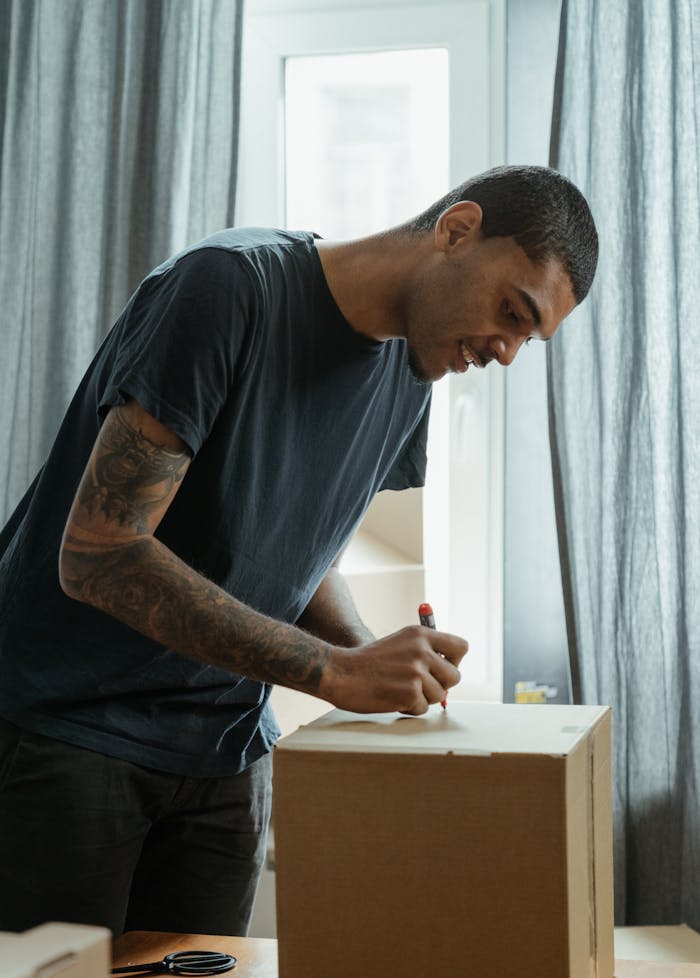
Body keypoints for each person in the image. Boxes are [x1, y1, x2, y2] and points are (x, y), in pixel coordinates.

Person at [0, 164, 598, 938]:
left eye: (530, 337)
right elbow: (99, 554)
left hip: (226, 753)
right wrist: (333, 672)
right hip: (69, 737)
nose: (508, 351)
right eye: (513, 313)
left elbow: (295, 544)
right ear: (457, 230)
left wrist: (364, 649)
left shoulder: (415, 368)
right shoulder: (227, 289)